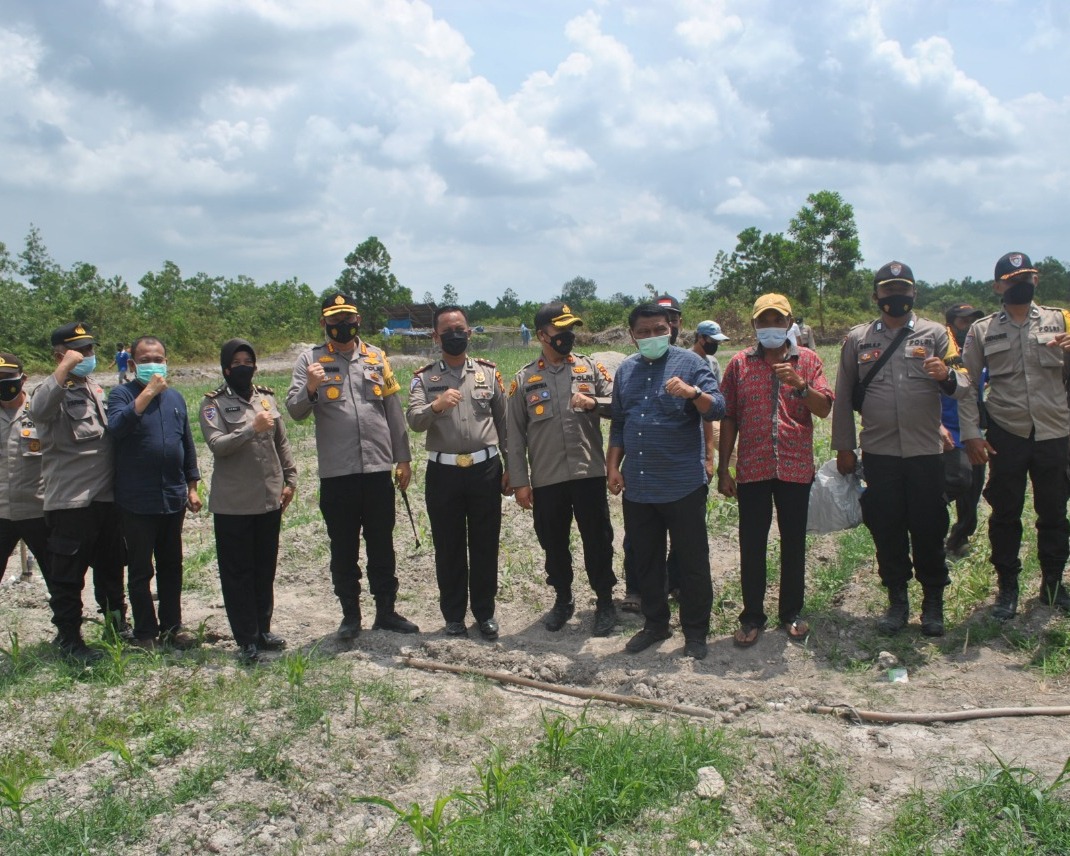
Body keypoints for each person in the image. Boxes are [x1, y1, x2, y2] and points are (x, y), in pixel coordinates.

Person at [832, 262, 969, 637]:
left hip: (926, 452)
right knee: (887, 528)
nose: (896, 297)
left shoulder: (937, 333)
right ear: (876, 296)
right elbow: (843, 397)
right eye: (888, 290)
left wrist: (947, 376)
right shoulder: (858, 339)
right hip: (879, 453)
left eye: (903, 290)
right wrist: (844, 447)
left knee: (929, 526)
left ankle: (932, 602)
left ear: (914, 294)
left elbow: (965, 386)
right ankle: (897, 600)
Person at [286, 292, 417, 640]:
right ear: (324, 323)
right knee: (343, 547)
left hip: (377, 470)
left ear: (357, 319)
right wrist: (310, 388)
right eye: (335, 320)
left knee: (381, 544)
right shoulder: (309, 360)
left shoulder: (376, 357)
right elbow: (295, 411)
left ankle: (386, 611)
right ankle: (350, 615)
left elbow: (393, 409)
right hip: (338, 473)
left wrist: (402, 458)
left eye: (348, 319)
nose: (342, 325)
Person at [607, 303, 725, 660]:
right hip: (639, 486)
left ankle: (695, 632)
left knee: (692, 560)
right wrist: (613, 467)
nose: (651, 337)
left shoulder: (691, 365)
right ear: (632, 335)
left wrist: (692, 393)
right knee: (647, 560)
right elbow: (618, 424)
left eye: (658, 329)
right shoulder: (626, 370)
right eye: (643, 332)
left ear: (671, 330)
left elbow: (718, 407)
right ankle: (655, 624)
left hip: (682, 485)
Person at [959, 252, 1070, 619]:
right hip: (1006, 432)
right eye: (1012, 278)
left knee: (1054, 511)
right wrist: (972, 434)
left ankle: (1053, 583)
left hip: (1054, 430)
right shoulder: (983, 329)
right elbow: (968, 385)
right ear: (998, 286)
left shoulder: (1061, 320)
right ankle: (1007, 585)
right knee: (1005, 513)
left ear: (1036, 281)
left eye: (1027, 276)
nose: (1021, 283)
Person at [717, 294, 834, 646]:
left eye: (777, 320)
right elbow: (729, 415)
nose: (771, 327)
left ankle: (791, 612)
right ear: (754, 325)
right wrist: (724, 468)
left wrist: (800, 385)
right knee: (751, 543)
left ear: (789, 323)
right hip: (752, 467)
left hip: (795, 467)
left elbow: (825, 408)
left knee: (793, 542)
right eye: (763, 321)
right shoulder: (739, 363)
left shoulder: (808, 361)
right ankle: (752, 615)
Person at [506, 302, 617, 636]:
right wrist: (521, 483)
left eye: (571, 330)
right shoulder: (524, 379)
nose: (568, 336)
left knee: (598, 540)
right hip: (547, 478)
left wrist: (594, 402)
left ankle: (605, 602)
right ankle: (563, 599)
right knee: (553, 542)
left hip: (588, 473)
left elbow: (618, 404)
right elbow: (514, 435)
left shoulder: (590, 369)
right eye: (560, 331)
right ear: (542, 335)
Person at [407, 306, 510, 639]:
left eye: (460, 329)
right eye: (447, 330)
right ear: (435, 336)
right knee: (448, 547)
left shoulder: (488, 374)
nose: (454, 334)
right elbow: (414, 421)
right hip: (444, 473)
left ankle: (484, 613)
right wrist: (436, 407)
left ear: (469, 333)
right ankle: (453, 616)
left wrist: (513, 470)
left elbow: (505, 425)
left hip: (485, 470)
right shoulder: (423, 378)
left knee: (485, 544)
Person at [29, 322, 128, 660]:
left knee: (112, 568)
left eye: (89, 349)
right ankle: (70, 639)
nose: (88, 355)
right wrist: (65, 368)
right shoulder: (52, 390)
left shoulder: (96, 389)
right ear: (61, 354)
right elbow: (37, 410)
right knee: (69, 576)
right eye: (79, 351)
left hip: (105, 499)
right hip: (72, 502)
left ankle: (117, 626)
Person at [203, 339, 297, 663]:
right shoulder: (213, 404)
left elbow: (281, 441)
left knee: (264, 569)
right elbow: (217, 444)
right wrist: (249, 428)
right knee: (237, 573)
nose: (244, 366)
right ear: (227, 368)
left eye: (249, 361)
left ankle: (263, 629)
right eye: (237, 362)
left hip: (268, 498)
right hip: (233, 504)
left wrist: (291, 479)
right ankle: (246, 638)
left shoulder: (266, 398)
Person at [107, 336, 202, 650]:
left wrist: (191, 485)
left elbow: (185, 442)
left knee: (172, 566)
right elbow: (116, 429)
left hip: (171, 497)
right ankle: (146, 632)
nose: (154, 364)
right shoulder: (122, 394)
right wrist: (147, 393)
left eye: (159, 358)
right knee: (140, 569)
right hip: (136, 500)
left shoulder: (175, 398)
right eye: (146, 359)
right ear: (133, 364)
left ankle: (172, 628)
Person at [0, 351, 51, 585]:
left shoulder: (42, 412)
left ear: (23, 379)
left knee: (59, 580)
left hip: (38, 511)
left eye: (7, 377)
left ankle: (68, 622)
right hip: (1, 512)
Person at [940, 303, 986, 558]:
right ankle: (928, 521)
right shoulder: (940, 350)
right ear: (951, 323)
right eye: (962, 322)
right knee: (958, 480)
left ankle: (959, 537)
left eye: (972, 321)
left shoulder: (979, 350)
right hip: (948, 430)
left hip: (974, 429)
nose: (968, 327)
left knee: (974, 487)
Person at [693, 320, 731, 480]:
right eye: (712, 341)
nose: (715, 345)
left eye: (717, 342)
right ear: (700, 338)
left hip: (710, 417)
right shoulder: (687, 359)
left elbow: (718, 394)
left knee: (732, 452)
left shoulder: (712, 362)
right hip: (696, 418)